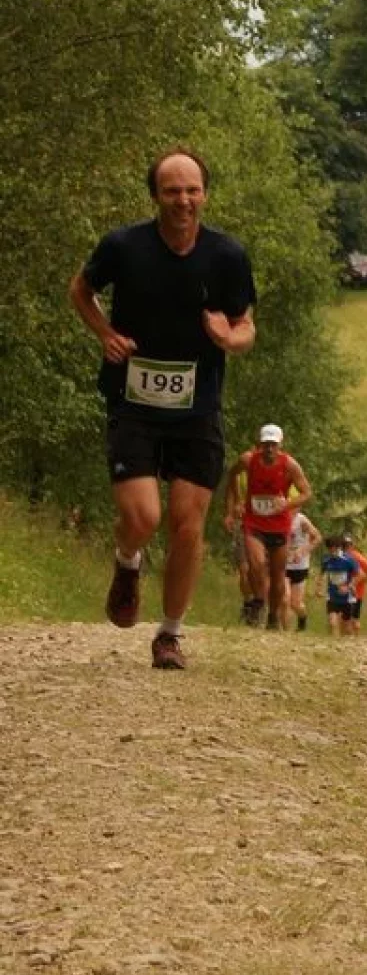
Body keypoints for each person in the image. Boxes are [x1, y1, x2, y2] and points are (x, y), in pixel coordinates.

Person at [67, 148, 256, 668]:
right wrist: (104, 333)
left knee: (187, 526)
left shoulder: (227, 256)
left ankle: (169, 634)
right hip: (133, 400)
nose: (183, 200)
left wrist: (228, 337)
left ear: (205, 195)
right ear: (155, 196)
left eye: (192, 190)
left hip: (198, 406)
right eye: (172, 191)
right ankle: (128, 562)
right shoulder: (124, 246)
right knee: (144, 516)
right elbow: (81, 290)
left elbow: (247, 327)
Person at [223, 425, 313, 630]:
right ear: (260, 444)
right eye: (266, 444)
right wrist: (232, 506)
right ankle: (259, 602)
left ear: (280, 444)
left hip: (279, 526)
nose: (269, 449)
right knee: (256, 564)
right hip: (253, 523)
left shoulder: (290, 465)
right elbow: (231, 476)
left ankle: (272, 617)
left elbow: (307, 492)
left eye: (273, 444)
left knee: (278, 575)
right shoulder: (248, 459)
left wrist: (287, 504)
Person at [284, 509, 323, 631]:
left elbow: (317, 538)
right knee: (285, 598)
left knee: (295, 604)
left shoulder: (301, 520)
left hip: (299, 566)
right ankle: (285, 633)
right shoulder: (276, 518)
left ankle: (302, 619)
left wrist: (303, 551)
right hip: (282, 565)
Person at [321, 534, 361, 633]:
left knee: (346, 628)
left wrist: (349, 586)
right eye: (330, 549)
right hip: (332, 596)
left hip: (347, 598)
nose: (333, 552)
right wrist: (318, 587)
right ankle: (333, 645)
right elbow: (322, 573)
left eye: (335, 549)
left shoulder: (348, 560)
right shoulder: (326, 560)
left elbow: (359, 575)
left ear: (339, 548)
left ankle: (348, 644)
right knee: (332, 622)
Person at [346, 538, 367, 631]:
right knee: (355, 619)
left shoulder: (347, 557)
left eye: (346, 545)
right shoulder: (359, 556)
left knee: (349, 619)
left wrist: (357, 581)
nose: (345, 547)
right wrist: (362, 580)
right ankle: (356, 640)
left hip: (350, 592)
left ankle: (350, 641)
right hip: (358, 593)